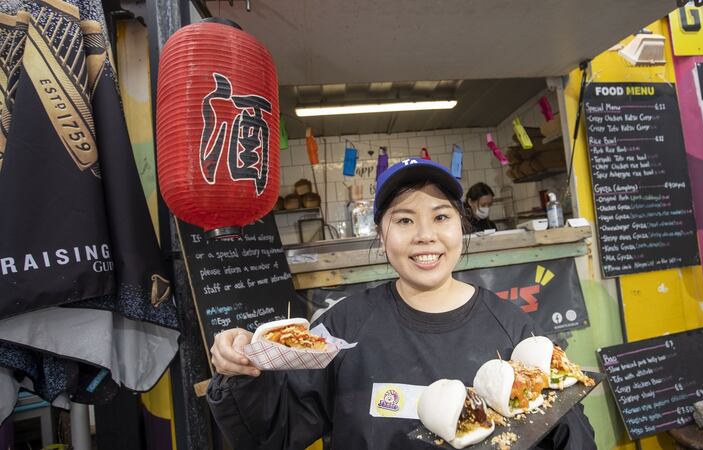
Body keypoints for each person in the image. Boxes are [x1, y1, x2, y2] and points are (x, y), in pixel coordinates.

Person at [206, 157, 596, 450]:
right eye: (404, 220)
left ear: (461, 225)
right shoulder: (343, 326)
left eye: (441, 216)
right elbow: (275, 426)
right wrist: (239, 369)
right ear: (381, 233)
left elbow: (566, 429)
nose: (425, 236)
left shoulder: (511, 326)